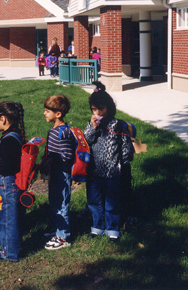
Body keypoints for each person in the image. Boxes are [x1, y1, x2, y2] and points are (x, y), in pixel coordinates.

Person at [84, 82, 133, 242]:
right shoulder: (92, 125)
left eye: (101, 109)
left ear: (109, 107)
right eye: (94, 110)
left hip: (112, 172)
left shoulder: (117, 125)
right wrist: (92, 127)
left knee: (111, 203)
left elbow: (126, 147)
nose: (98, 113)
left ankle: (112, 228)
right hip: (94, 171)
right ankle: (97, 226)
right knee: (94, 200)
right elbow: (86, 141)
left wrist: (123, 166)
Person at [0, 101, 26, 262]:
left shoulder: (9, 140)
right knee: (11, 217)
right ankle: (9, 247)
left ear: (3, 119)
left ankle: (9, 253)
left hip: (7, 186)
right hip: (11, 185)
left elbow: (5, 164)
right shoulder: (15, 135)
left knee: (7, 219)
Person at [39, 95, 77, 250]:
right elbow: (49, 151)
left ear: (58, 114)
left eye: (47, 111)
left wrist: (51, 161)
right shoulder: (52, 131)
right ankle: (56, 229)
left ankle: (63, 236)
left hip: (62, 174)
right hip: (53, 172)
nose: (44, 113)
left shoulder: (64, 132)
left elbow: (67, 156)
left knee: (62, 204)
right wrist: (44, 161)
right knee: (54, 201)